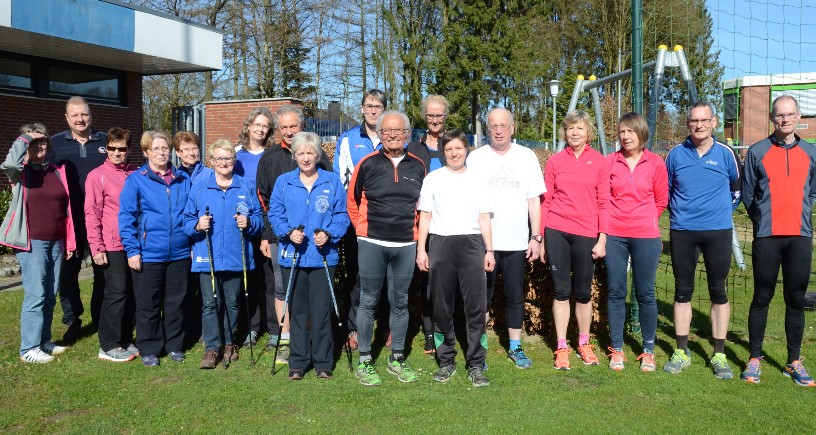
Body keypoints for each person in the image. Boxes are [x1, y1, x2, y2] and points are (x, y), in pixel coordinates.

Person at [741, 95, 816, 387]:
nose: (784, 120)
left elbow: (811, 193)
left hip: (799, 237)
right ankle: (755, 358)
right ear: (772, 118)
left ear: (799, 116)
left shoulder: (811, 152)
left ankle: (793, 360)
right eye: (779, 115)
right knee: (762, 297)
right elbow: (748, 196)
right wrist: (763, 219)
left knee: (796, 300)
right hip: (767, 238)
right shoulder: (758, 152)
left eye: (789, 114)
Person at [663, 101, 741, 379]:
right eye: (694, 121)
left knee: (718, 290)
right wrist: (683, 214)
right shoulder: (674, 155)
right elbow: (666, 191)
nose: (699, 125)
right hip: (683, 231)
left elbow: (737, 189)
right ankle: (681, 351)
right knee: (682, 290)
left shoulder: (726, 154)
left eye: (704, 120)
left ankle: (719, 354)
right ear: (688, 124)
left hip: (718, 231)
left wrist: (720, 213)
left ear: (714, 122)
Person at [347, 111, 425, 386]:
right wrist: (364, 231)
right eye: (387, 131)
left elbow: (422, 208)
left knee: (400, 302)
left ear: (407, 134)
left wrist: (415, 235)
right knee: (368, 301)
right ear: (379, 135)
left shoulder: (418, 166)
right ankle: (366, 360)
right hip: (372, 242)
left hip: (405, 243)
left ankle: (397, 358)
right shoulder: (367, 164)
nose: (393, 135)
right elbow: (353, 202)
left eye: (398, 130)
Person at [466, 107, 545, 369]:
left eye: (503, 125)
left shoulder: (527, 156)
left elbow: (534, 200)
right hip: (483, 243)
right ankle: (479, 349)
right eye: (493, 126)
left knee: (514, 296)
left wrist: (536, 236)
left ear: (513, 127)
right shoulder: (475, 158)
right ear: (487, 129)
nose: (498, 130)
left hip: (516, 242)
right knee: (481, 297)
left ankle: (515, 346)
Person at [416, 130, 494, 387]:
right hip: (440, 243)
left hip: (472, 244)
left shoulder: (479, 180)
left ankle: (476, 363)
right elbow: (425, 216)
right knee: (442, 305)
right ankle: (446, 360)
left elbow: (484, 218)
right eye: (449, 149)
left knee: (475, 306)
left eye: (458, 148)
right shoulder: (433, 179)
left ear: (466, 149)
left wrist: (489, 250)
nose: (454, 153)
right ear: (443, 152)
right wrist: (422, 250)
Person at [269, 132, 348, 380]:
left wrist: (329, 234)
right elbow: (275, 213)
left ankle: (324, 362)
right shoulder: (284, 182)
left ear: (317, 155)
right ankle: (298, 362)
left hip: (323, 257)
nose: (306, 158)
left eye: (310, 153)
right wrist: (287, 232)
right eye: (301, 153)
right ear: (295, 155)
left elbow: (342, 216)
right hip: (293, 256)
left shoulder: (332, 182)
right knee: (299, 312)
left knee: (321, 311)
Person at [256, 105, 332, 360]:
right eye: (284, 127)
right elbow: (264, 199)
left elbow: (330, 193)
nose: (289, 131)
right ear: (278, 130)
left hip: (313, 239)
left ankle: (309, 339)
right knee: (282, 288)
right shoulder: (269, 158)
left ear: (302, 126)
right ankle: (286, 339)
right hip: (281, 237)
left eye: (293, 126)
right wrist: (269, 234)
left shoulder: (318, 155)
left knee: (309, 291)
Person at [539, 110, 610, 370]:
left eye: (579, 128)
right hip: (557, 230)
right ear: (564, 133)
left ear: (588, 132)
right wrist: (543, 238)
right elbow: (546, 202)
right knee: (560, 290)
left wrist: (602, 238)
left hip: (587, 233)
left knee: (582, 292)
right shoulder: (555, 162)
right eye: (570, 129)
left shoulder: (601, 162)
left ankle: (583, 342)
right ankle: (561, 345)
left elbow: (605, 202)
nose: (575, 133)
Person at [184, 139, 262, 369]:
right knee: (209, 303)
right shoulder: (199, 187)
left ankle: (229, 343)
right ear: (212, 161)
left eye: (228, 158)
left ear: (234, 160)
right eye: (219, 159)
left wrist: (248, 222)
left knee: (232, 302)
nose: (224, 163)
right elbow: (186, 222)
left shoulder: (245, 187)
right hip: (207, 255)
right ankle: (211, 347)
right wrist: (198, 225)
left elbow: (258, 221)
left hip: (236, 255)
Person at [1, 124, 75, 363]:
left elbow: (66, 210)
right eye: (34, 143)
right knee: (36, 294)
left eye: (42, 141)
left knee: (51, 294)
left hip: (56, 240)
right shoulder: (20, 173)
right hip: (32, 241)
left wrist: (69, 242)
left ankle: (43, 341)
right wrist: (25, 138)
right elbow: (9, 164)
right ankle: (28, 349)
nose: (39, 146)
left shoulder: (56, 171)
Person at [119, 130, 192, 367]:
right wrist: (133, 250)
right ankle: (149, 347)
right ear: (146, 152)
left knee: (175, 303)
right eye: (156, 149)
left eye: (164, 148)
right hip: (149, 252)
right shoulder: (136, 180)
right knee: (148, 303)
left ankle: (174, 345)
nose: (161, 153)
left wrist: (191, 243)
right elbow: (126, 217)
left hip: (180, 252)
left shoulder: (182, 178)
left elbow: (191, 214)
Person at [603, 113, 667, 372]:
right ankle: (617, 349)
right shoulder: (610, 162)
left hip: (646, 236)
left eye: (631, 131)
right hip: (615, 235)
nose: (626, 136)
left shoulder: (655, 163)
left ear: (642, 134)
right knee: (617, 291)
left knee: (646, 293)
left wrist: (647, 219)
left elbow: (662, 199)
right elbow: (603, 198)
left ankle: (648, 350)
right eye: (621, 132)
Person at [333, 89, 390, 352]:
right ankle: (354, 329)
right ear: (362, 109)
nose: (373, 110)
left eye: (378, 106)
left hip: (388, 221)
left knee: (389, 277)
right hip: (359, 223)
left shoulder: (393, 138)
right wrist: (353, 217)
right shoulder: (347, 140)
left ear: (384, 109)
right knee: (357, 277)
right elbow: (341, 181)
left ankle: (388, 328)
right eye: (369, 105)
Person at [50, 96, 108, 342]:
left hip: (101, 218)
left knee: (103, 269)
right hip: (69, 220)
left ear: (90, 114)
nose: (80, 119)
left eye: (83, 114)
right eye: (74, 115)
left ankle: (101, 316)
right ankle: (73, 319)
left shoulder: (107, 142)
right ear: (67, 118)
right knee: (67, 272)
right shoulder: (54, 144)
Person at [85, 127, 138, 362]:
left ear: (129, 150)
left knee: (132, 293)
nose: (117, 153)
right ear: (106, 148)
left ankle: (125, 338)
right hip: (111, 243)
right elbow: (92, 212)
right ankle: (108, 344)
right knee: (116, 292)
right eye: (112, 148)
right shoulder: (97, 176)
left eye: (122, 148)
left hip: (134, 242)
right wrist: (96, 247)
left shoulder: (136, 173)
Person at [406, 94, 449, 354]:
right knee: (425, 281)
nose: (435, 120)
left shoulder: (454, 144)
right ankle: (429, 332)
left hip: (448, 224)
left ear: (446, 117)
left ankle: (445, 327)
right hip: (421, 222)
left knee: (445, 281)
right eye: (431, 115)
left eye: (439, 115)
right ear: (425, 116)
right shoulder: (414, 147)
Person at [234, 108, 274, 350]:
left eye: (265, 126)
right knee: (247, 281)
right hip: (243, 226)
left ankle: (274, 330)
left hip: (267, 226)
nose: (260, 129)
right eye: (257, 124)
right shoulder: (236, 156)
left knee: (270, 281)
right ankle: (250, 327)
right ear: (248, 126)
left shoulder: (271, 155)